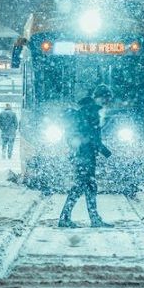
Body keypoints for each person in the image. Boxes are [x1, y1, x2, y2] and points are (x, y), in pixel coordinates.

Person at [58, 84, 114, 229]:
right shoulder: (91, 111)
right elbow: (91, 136)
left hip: (84, 154)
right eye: (104, 98)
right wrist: (105, 152)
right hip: (85, 154)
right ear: (97, 97)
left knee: (88, 186)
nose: (106, 102)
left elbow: (89, 134)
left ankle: (92, 219)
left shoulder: (88, 110)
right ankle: (66, 218)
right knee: (81, 187)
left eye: (108, 99)